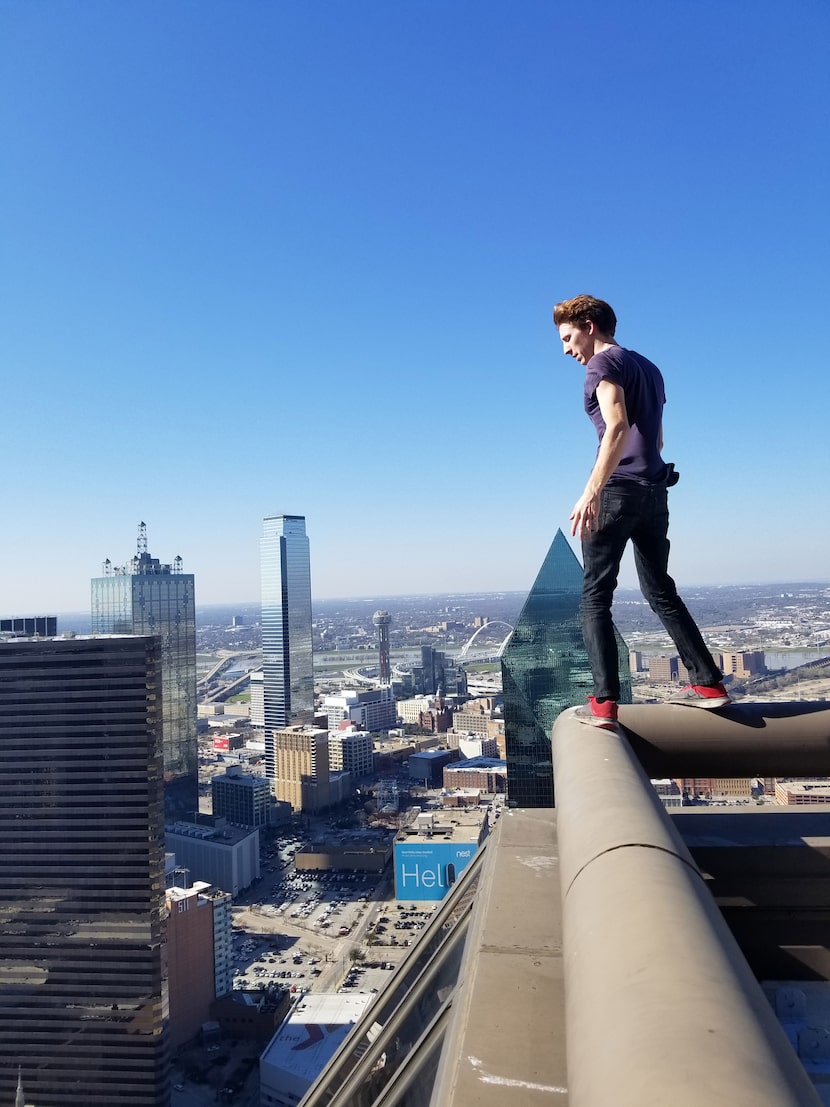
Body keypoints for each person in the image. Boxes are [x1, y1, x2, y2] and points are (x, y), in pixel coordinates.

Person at [553, 293, 730, 729]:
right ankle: (708, 684)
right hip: (654, 491)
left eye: (568, 337)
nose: (567, 350)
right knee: (661, 591)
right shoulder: (650, 369)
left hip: (616, 492)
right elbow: (658, 440)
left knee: (595, 596)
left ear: (590, 326)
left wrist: (591, 491)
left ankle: (604, 703)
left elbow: (616, 427)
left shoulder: (603, 365)